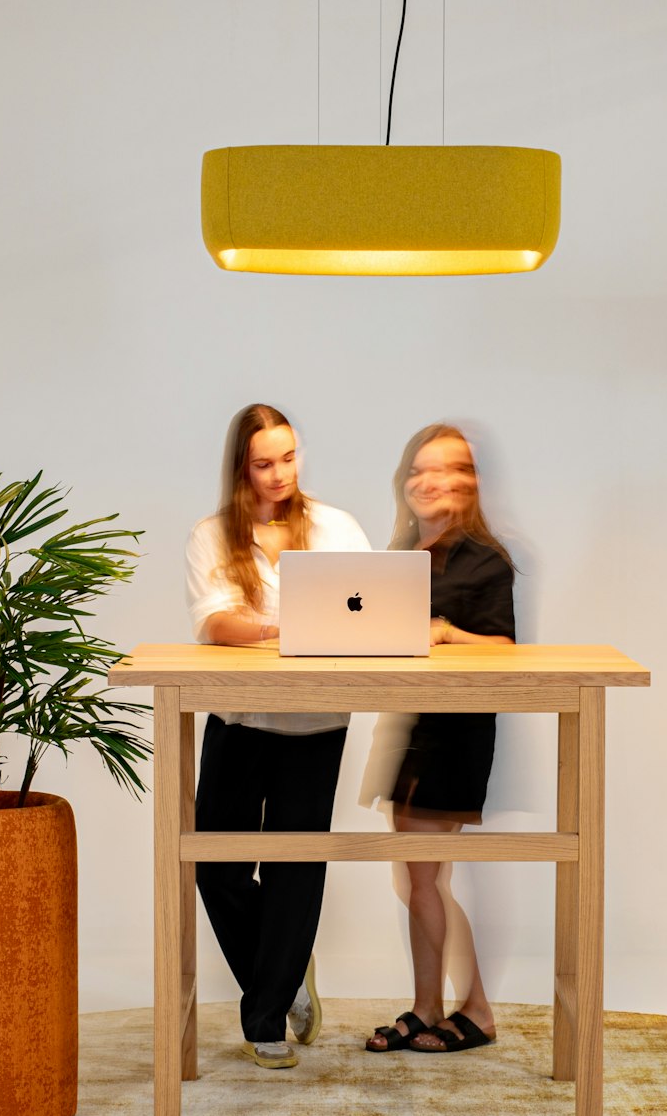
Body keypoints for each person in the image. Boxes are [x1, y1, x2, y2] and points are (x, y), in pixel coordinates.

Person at [185, 403, 370, 1069]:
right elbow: (215, 623)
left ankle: (267, 1018)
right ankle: (286, 971)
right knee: (215, 865)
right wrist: (282, 627)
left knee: (296, 867)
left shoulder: (336, 528)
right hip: (238, 717)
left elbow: (373, 607)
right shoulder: (212, 536)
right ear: (242, 466)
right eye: (264, 463)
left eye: (288, 457)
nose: (279, 473)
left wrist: (289, 626)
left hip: (316, 721)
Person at [363, 424, 516, 1055]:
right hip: (408, 725)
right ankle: (428, 1006)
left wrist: (449, 632)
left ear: (470, 483)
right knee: (416, 880)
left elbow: (505, 647)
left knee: (424, 878)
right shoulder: (404, 551)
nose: (430, 481)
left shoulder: (485, 558)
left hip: (454, 732)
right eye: (419, 469)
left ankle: (475, 1009)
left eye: (449, 469)